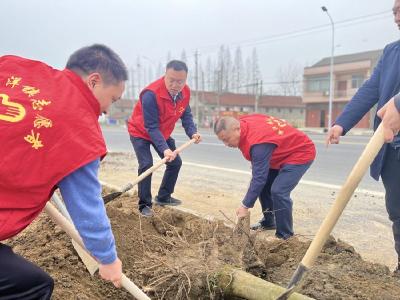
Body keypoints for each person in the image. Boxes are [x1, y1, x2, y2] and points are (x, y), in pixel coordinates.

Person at [0, 44, 128, 299]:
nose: (107, 111)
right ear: (94, 82)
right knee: (33, 285)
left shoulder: (12, 66)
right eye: (112, 99)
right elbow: (87, 208)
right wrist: (108, 259)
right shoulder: (80, 131)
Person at [326, 0, 400, 273]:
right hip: (392, 148)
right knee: (398, 211)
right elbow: (370, 89)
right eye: (394, 11)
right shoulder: (392, 52)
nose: (396, 17)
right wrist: (341, 124)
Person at [214, 114, 315, 239]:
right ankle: (269, 221)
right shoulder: (244, 123)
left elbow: (259, 178)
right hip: (278, 153)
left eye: (226, 139)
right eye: (222, 140)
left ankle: (285, 236)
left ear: (237, 129)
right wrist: (257, 161)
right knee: (264, 186)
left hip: (300, 152)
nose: (226, 144)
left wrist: (245, 206)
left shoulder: (258, 143)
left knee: (278, 191)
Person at [127, 60, 201, 217]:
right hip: (140, 131)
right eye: (171, 80)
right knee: (147, 164)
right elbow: (151, 127)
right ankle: (144, 205)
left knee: (175, 162)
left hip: (163, 132)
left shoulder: (185, 92)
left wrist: (192, 132)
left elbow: (186, 115)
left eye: (180, 81)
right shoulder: (151, 94)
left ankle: (163, 196)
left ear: (185, 79)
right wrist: (165, 149)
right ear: (165, 76)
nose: (175, 85)